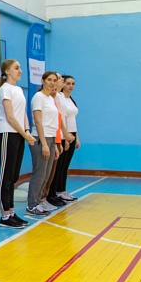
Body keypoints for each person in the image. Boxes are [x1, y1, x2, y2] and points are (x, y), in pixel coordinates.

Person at [0, 59, 35, 228]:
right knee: (6, 175)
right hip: (7, 133)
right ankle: (4, 216)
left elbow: (22, 114)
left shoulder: (18, 89)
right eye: (16, 68)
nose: (20, 71)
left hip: (18, 134)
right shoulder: (5, 89)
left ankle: (11, 212)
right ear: (7, 71)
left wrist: (27, 131)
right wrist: (25, 136)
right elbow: (10, 117)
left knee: (13, 175)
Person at [26, 71, 62, 217]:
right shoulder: (38, 97)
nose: (52, 83)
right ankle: (31, 205)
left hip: (51, 138)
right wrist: (45, 144)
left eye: (54, 80)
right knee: (39, 174)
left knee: (47, 174)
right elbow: (38, 121)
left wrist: (55, 144)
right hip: (41, 138)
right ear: (43, 81)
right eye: (49, 80)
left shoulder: (49, 98)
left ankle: (39, 201)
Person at [42, 72, 74, 209]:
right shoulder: (47, 98)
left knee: (58, 168)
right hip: (52, 136)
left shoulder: (59, 97)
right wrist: (63, 136)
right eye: (58, 79)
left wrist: (65, 136)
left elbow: (62, 118)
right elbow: (56, 120)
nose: (59, 81)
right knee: (49, 171)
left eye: (58, 79)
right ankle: (46, 196)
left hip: (60, 136)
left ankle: (53, 194)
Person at [52, 74, 80, 202]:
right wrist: (66, 135)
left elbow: (73, 120)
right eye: (67, 83)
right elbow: (62, 119)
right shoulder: (59, 97)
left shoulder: (70, 100)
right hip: (64, 134)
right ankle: (56, 191)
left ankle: (62, 190)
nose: (70, 86)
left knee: (65, 165)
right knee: (59, 165)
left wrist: (76, 137)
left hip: (72, 134)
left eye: (73, 84)